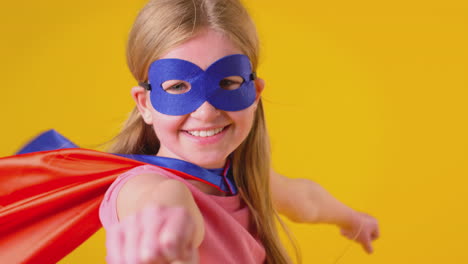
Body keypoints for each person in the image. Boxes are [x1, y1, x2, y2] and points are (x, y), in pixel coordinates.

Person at [98, 0, 379, 263]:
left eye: (227, 83)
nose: (206, 112)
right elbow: (160, 200)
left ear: (255, 94)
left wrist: (354, 220)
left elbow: (305, 200)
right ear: (145, 104)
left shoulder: (244, 177)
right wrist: (166, 229)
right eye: (178, 87)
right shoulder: (140, 187)